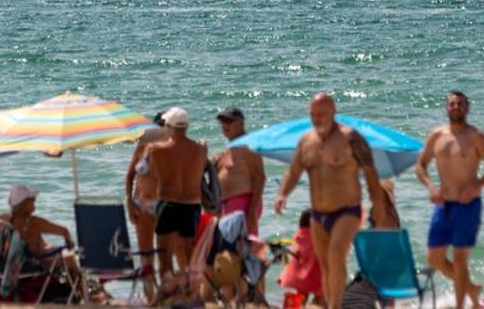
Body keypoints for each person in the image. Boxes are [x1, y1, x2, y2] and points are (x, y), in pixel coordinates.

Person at [274, 93, 392, 309]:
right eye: (312, 114)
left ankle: (335, 306)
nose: (316, 119)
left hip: (347, 210)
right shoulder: (306, 141)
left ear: (333, 112)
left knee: (336, 255)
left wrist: (378, 203)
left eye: (321, 114)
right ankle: (330, 304)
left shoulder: (350, 138)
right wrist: (282, 194)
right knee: (326, 266)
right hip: (319, 214)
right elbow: (293, 172)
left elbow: (370, 170)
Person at [413, 91, 484, 309]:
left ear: (467, 108)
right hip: (443, 205)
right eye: (452, 104)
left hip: (467, 205)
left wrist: (477, 186)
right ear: (447, 108)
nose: (456, 107)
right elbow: (420, 166)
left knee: (460, 259)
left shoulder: (477, 137)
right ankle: (471, 288)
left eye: (460, 104)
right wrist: (431, 187)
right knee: (435, 259)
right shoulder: (436, 136)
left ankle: (461, 305)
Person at [148, 107, 208, 298]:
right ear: (186, 126)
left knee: (164, 257)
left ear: (168, 126)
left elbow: (153, 173)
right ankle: (192, 294)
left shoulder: (156, 149)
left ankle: (166, 295)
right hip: (192, 205)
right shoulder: (201, 149)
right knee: (190, 256)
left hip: (169, 203)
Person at [0, 184, 78, 302]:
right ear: (25, 204)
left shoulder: (0, 221)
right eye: (32, 201)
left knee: (52, 252)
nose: (35, 203)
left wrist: (10, 227)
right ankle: (79, 293)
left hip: (2, 268)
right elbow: (64, 231)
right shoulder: (34, 222)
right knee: (70, 259)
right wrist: (68, 242)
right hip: (29, 266)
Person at [126, 114, 169, 302]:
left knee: (164, 254)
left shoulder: (171, 148)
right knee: (146, 255)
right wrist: (129, 201)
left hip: (164, 205)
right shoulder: (142, 146)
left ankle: (165, 296)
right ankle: (149, 296)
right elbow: (130, 176)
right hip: (142, 205)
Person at [215, 106, 266, 235]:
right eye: (222, 122)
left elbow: (259, 177)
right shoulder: (232, 147)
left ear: (241, 123)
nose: (225, 125)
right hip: (228, 205)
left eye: (229, 121)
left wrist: (251, 212)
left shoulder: (247, 145)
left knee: (242, 245)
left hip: (242, 205)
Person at [278, 210, 324, 307]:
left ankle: (294, 305)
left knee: (301, 298)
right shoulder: (317, 238)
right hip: (313, 276)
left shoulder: (298, 237)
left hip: (298, 276)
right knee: (321, 297)